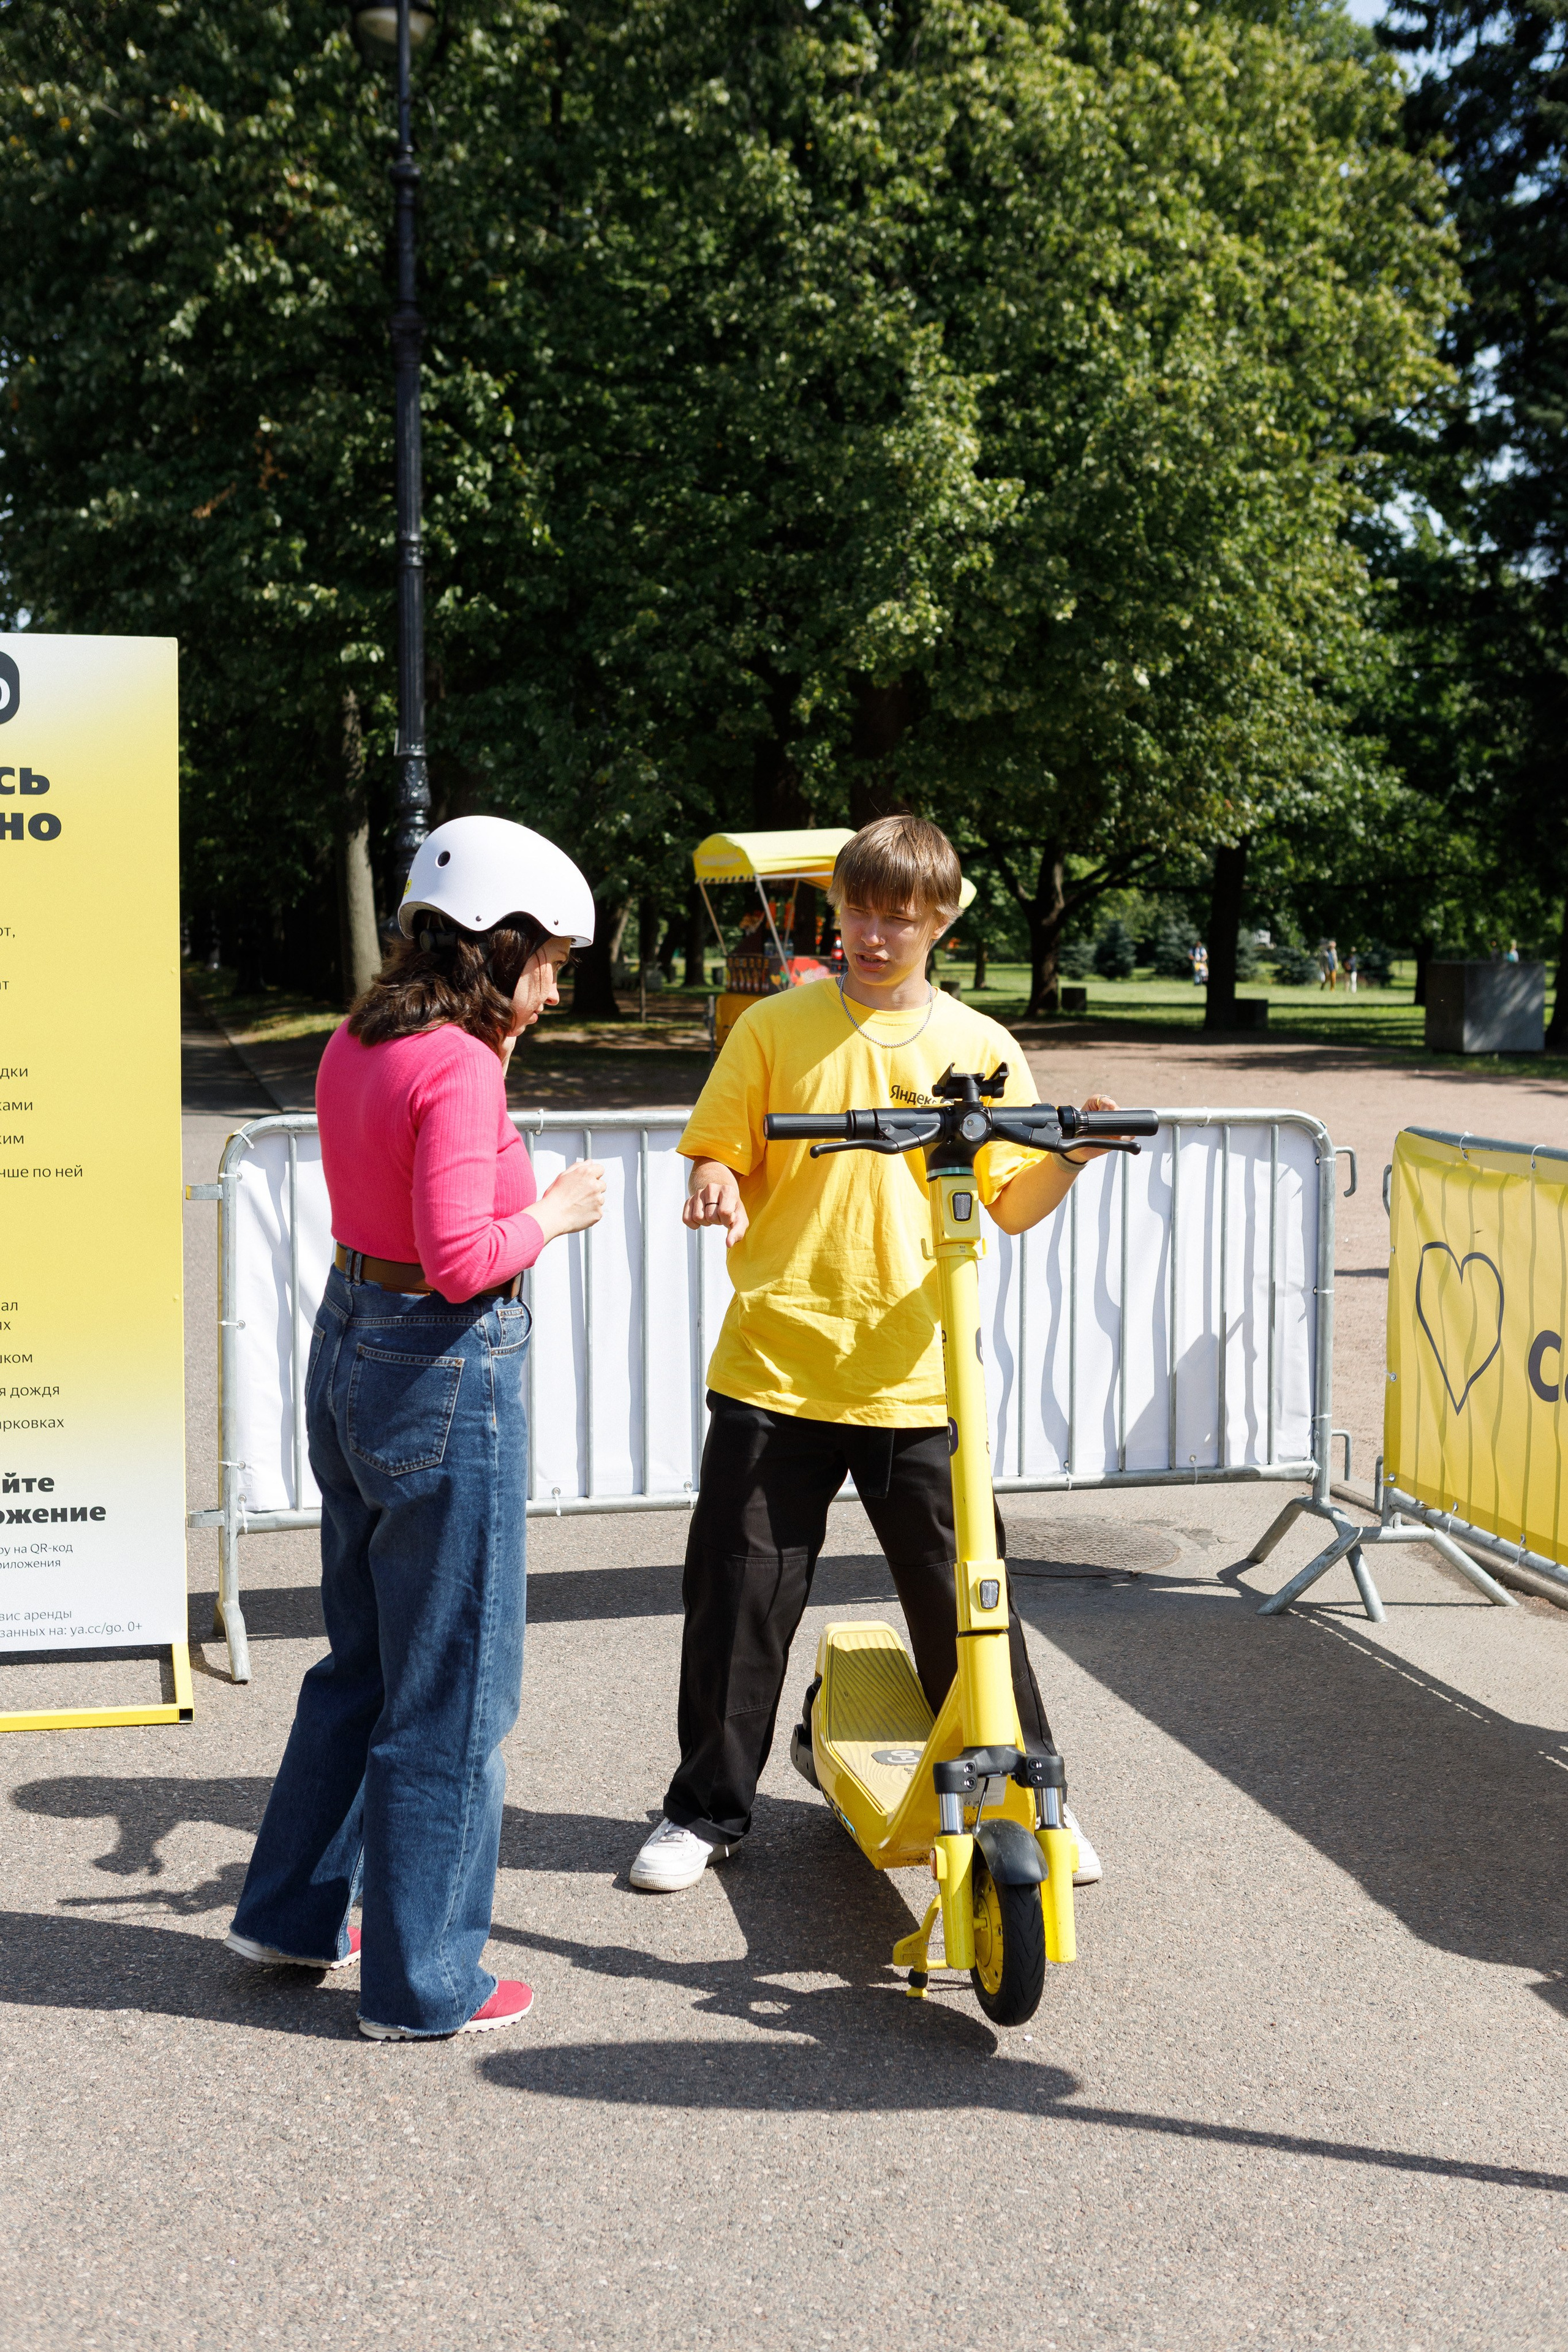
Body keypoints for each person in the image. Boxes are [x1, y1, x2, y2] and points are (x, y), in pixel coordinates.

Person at [631, 815, 1115, 1896]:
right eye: (858, 912)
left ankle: (1035, 1802)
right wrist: (712, 1177)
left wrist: (1072, 1157)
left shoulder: (980, 1046)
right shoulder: (774, 1027)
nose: (874, 935)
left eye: (899, 918)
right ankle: (705, 1812)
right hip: (780, 1362)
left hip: (920, 1373)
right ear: (838, 909)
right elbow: (719, 1146)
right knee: (738, 1603)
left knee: (969, 1603)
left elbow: (1015, 1204)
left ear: (940, 919)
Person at [226, 816, 606, 2041]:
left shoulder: (361, 1035)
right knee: (451, 1693)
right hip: (440, 1369)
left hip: (349, 1347)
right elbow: (457, 1263)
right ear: (494, 947)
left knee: (365, 1663)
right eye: (545, 962)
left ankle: (290, 1910)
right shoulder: (456, 1062)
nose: (552, 991)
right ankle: (422, 1983)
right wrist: (553, 1210)